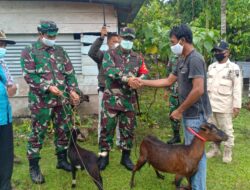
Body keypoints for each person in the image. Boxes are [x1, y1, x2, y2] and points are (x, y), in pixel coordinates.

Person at [134, 24, 211, 190]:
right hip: (189, 115)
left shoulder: (195, 59)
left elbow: (198, 89)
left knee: (196, 154)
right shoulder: (182, 59)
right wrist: (142, 81)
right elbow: (168, 81)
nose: (171, 45)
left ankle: (198, 187)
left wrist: (179, 110)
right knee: (190, 152)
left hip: (196, 115)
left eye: (173, 41)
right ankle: (192, 185)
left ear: (182, 41)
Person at [20, 20, 80, 184]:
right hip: (41, 102)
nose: (53, 38)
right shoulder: (29, 51)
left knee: (63, 130)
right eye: (49, 35)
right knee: (38, 133)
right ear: (41, 34)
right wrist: (47, 87)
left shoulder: (60, 51)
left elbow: (70, 73)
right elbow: (29, 76)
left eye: (55, 35)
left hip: (62, 100)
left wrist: (73, 90)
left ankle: (61, 161)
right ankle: (34, 167)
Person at [98, 27, 149, 171]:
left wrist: (139, 80)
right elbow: (109, 71)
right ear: (120, 38)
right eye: (126, 38)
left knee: (128, 131)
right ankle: (103, 158)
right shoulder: (110, 54)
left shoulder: (137, 57)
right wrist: (127, 79)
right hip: (111, 101)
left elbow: (144, 72)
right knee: (106, 131)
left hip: (129, 101)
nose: (128, 41)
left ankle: (125, 158)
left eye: (131, 39)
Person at [206, 41, 242, 163]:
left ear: (227, 52)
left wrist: (236, 105)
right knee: (212, 129)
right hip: (210, 105)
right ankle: (214, 149)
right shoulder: (211, 67)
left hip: (224, 105)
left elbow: (237, 87)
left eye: (219, 51)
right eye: (215, 51)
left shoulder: (233, 68)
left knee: (227, 130)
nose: (217, 53)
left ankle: (227, 151)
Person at [88, 26, 121, 146]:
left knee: (118, 118)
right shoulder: (102, 55)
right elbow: (91, 52)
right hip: (104, 90)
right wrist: (101, 37)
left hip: (119, 91)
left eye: (118, 42)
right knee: (103, 118)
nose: (116, 44)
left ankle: (119, 142)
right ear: (108, 43)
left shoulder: (122, 57)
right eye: (114, 42)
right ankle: (102, 142)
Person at [0, 30, 17, 190]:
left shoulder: (2, 64)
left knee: (6, 155)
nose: (2, 47)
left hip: (4, 117)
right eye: (0, 44)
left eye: (4, 44)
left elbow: (11, 87)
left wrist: (13, 88)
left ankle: (5, 185)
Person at [164, 55, 181, 144]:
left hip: (186, 94)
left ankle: (188, 138)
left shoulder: (191, 57)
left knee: (187, 116)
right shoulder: (173, 58)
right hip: (174, 92)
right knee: (172, 114)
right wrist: (166, 90)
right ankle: (176, 136)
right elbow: (168, 74)